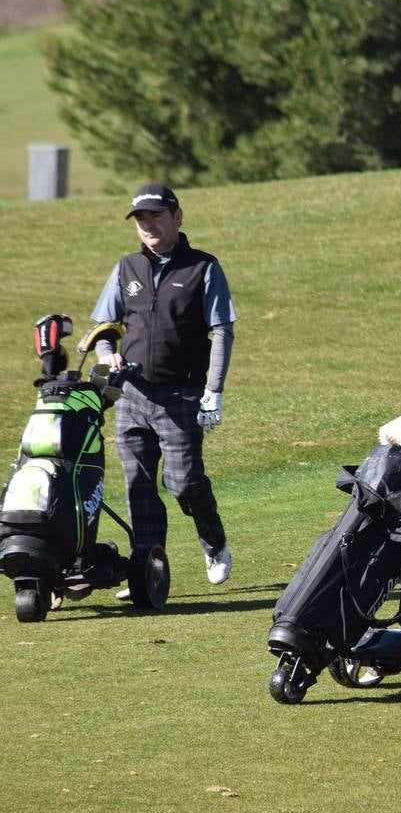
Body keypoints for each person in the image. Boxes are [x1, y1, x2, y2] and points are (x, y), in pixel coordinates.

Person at [91, 183, 237, 597]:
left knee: (184, 483)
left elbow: (222, 330)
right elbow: (105, 329)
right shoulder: (126, 268)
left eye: (156, 216)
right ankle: (146, 570)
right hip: (132, 395)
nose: (148, 225)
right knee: (138, 486)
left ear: (177, 217)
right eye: (141, 219)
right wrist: (108, 356)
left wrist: (214, 390)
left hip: (183, 394)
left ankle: (214, 543)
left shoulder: (203, 267)